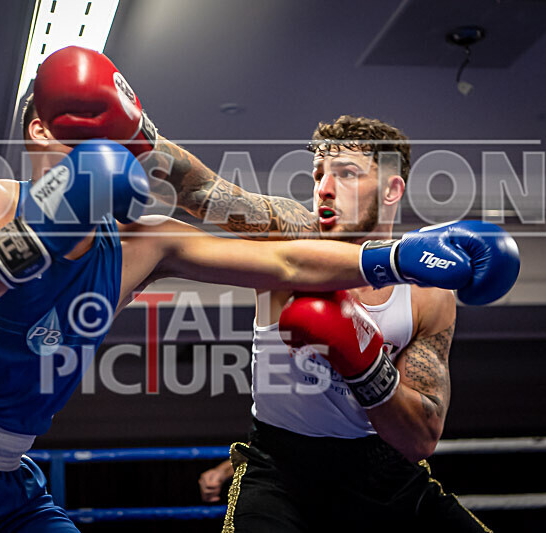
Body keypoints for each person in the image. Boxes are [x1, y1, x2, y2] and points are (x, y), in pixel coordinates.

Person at [0, 49, 510, 533]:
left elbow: (292, 266)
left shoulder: (144, 240)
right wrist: (48, 225)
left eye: (100, 136)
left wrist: (399, 256)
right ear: (35, 131)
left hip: (5, 482)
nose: (87, 152)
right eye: (72, 134)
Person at [25, 47, 517, 532]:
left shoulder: (428, 292)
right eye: (319, 174)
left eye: (345, 174)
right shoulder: (292, 231)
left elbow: (422, 436)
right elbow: (203, 192)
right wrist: (137, 132)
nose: (323, 187)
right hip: (281, 471)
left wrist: (364, 362)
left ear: (391, 190)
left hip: (388, 479)